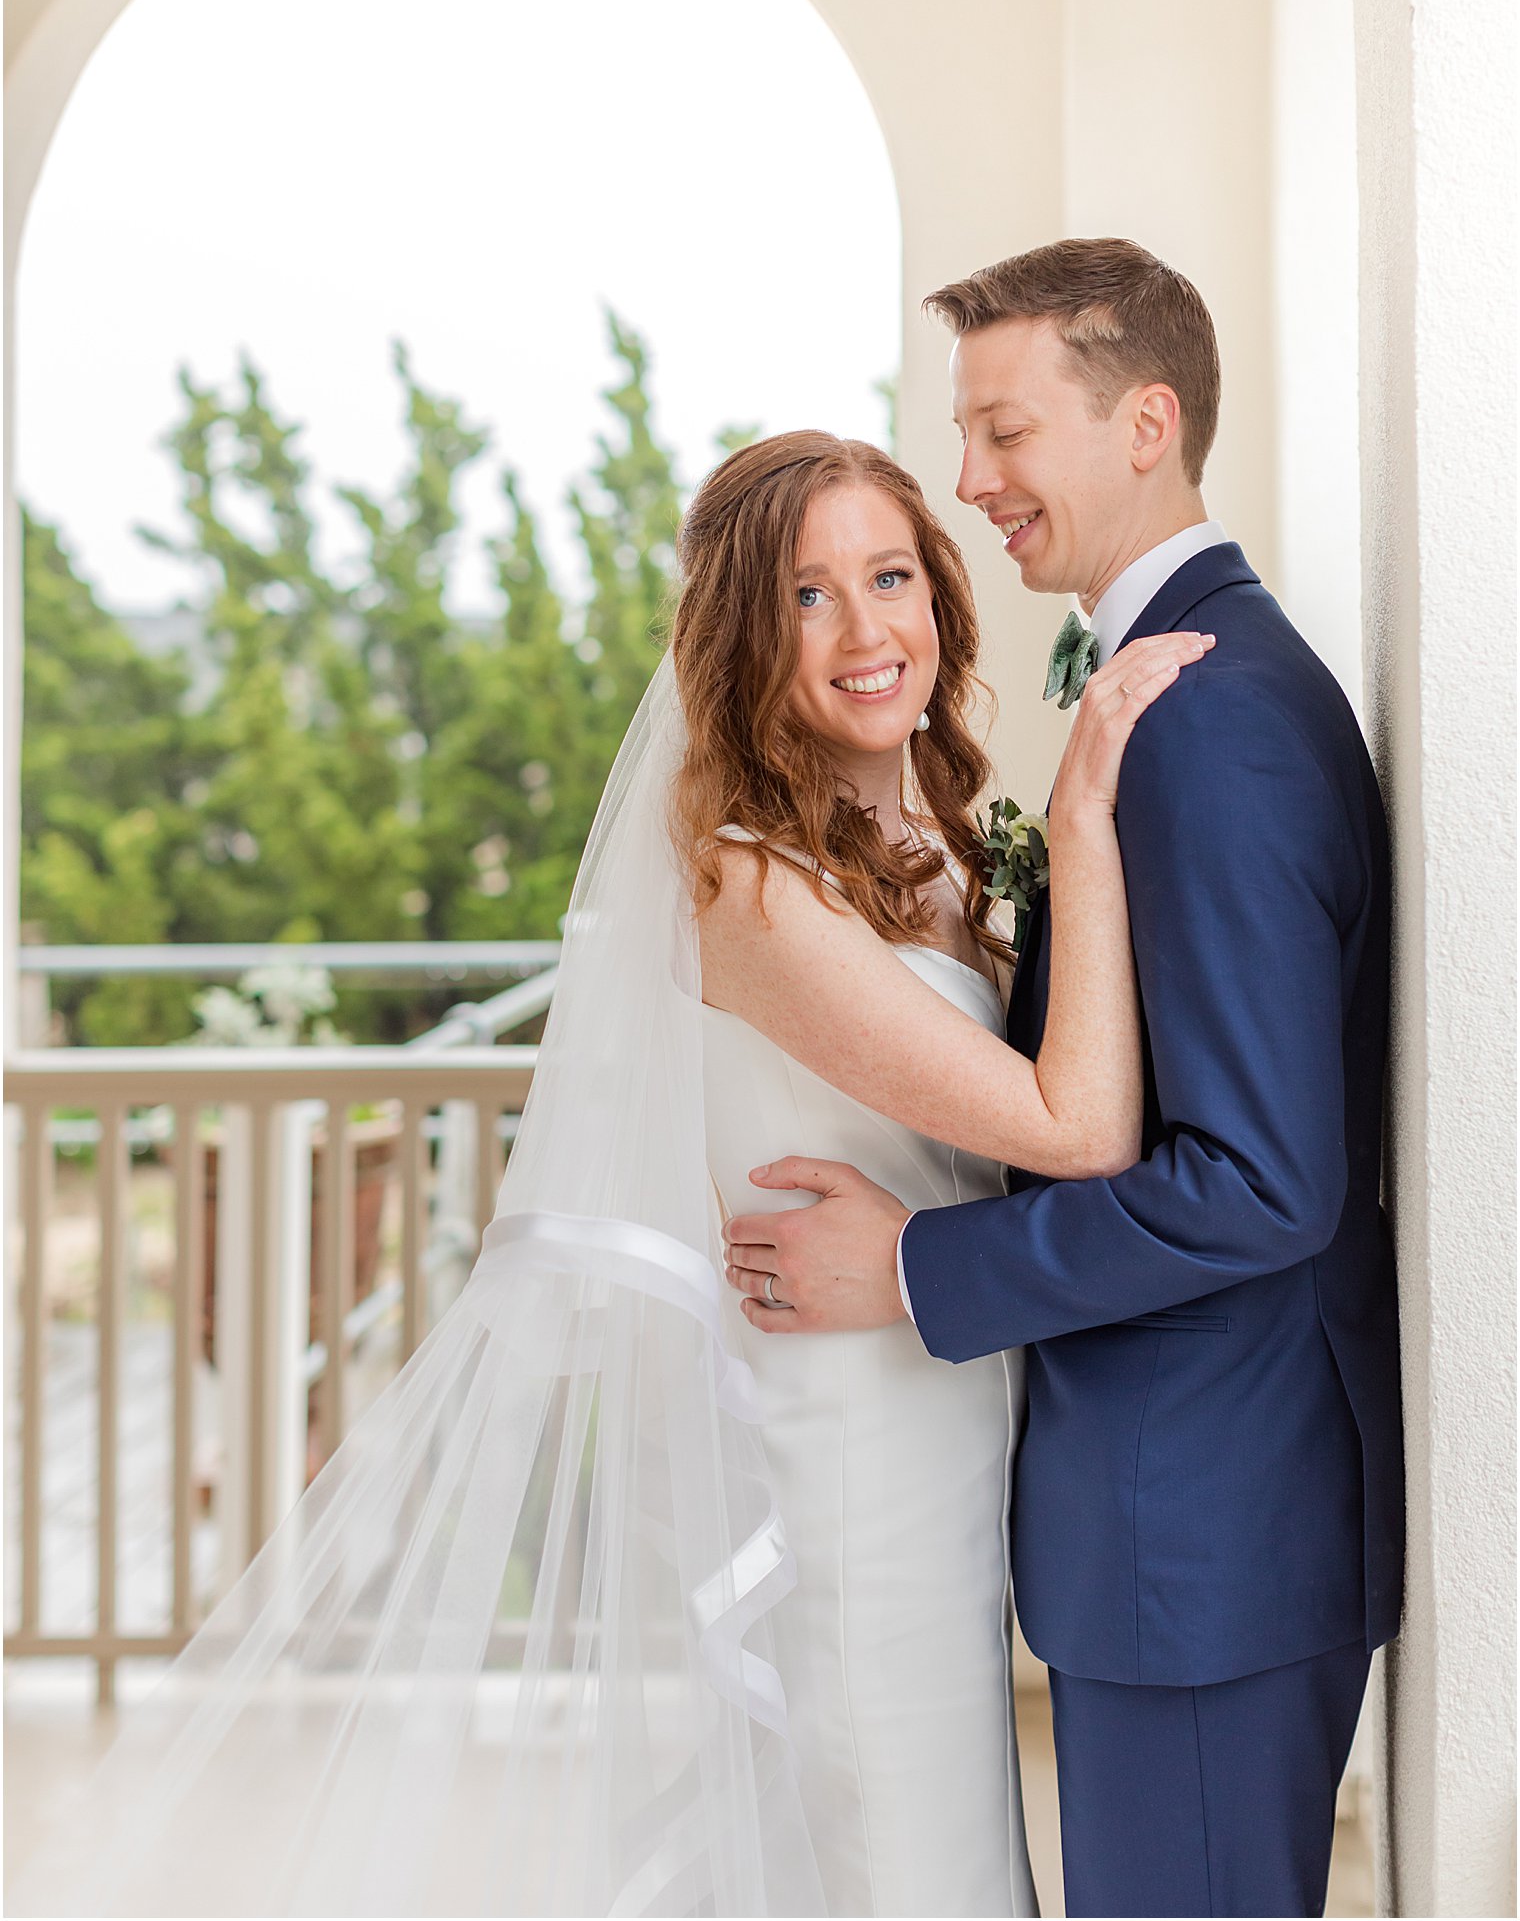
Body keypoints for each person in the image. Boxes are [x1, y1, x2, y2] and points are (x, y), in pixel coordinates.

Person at [12, 429, 1208, 1921]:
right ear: (741, 640)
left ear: (941, 599)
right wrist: (1090, 813)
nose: (863, 630)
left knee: (941, 1841)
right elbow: (1074, 1127)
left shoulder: (945, 840)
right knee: (909, 1856)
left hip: (955, 1403)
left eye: (888, 576)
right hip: (856, 1432)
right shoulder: (752, 881)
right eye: (806, 597)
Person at [723, 240, 1404, 1921]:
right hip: (1172, 1519)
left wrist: (912, 1266)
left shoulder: (1208, 715)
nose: (975, 482)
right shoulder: (1160, 694)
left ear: (1146, 424)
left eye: (1005, 432)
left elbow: (1259, 1177)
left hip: (1204, 1526)